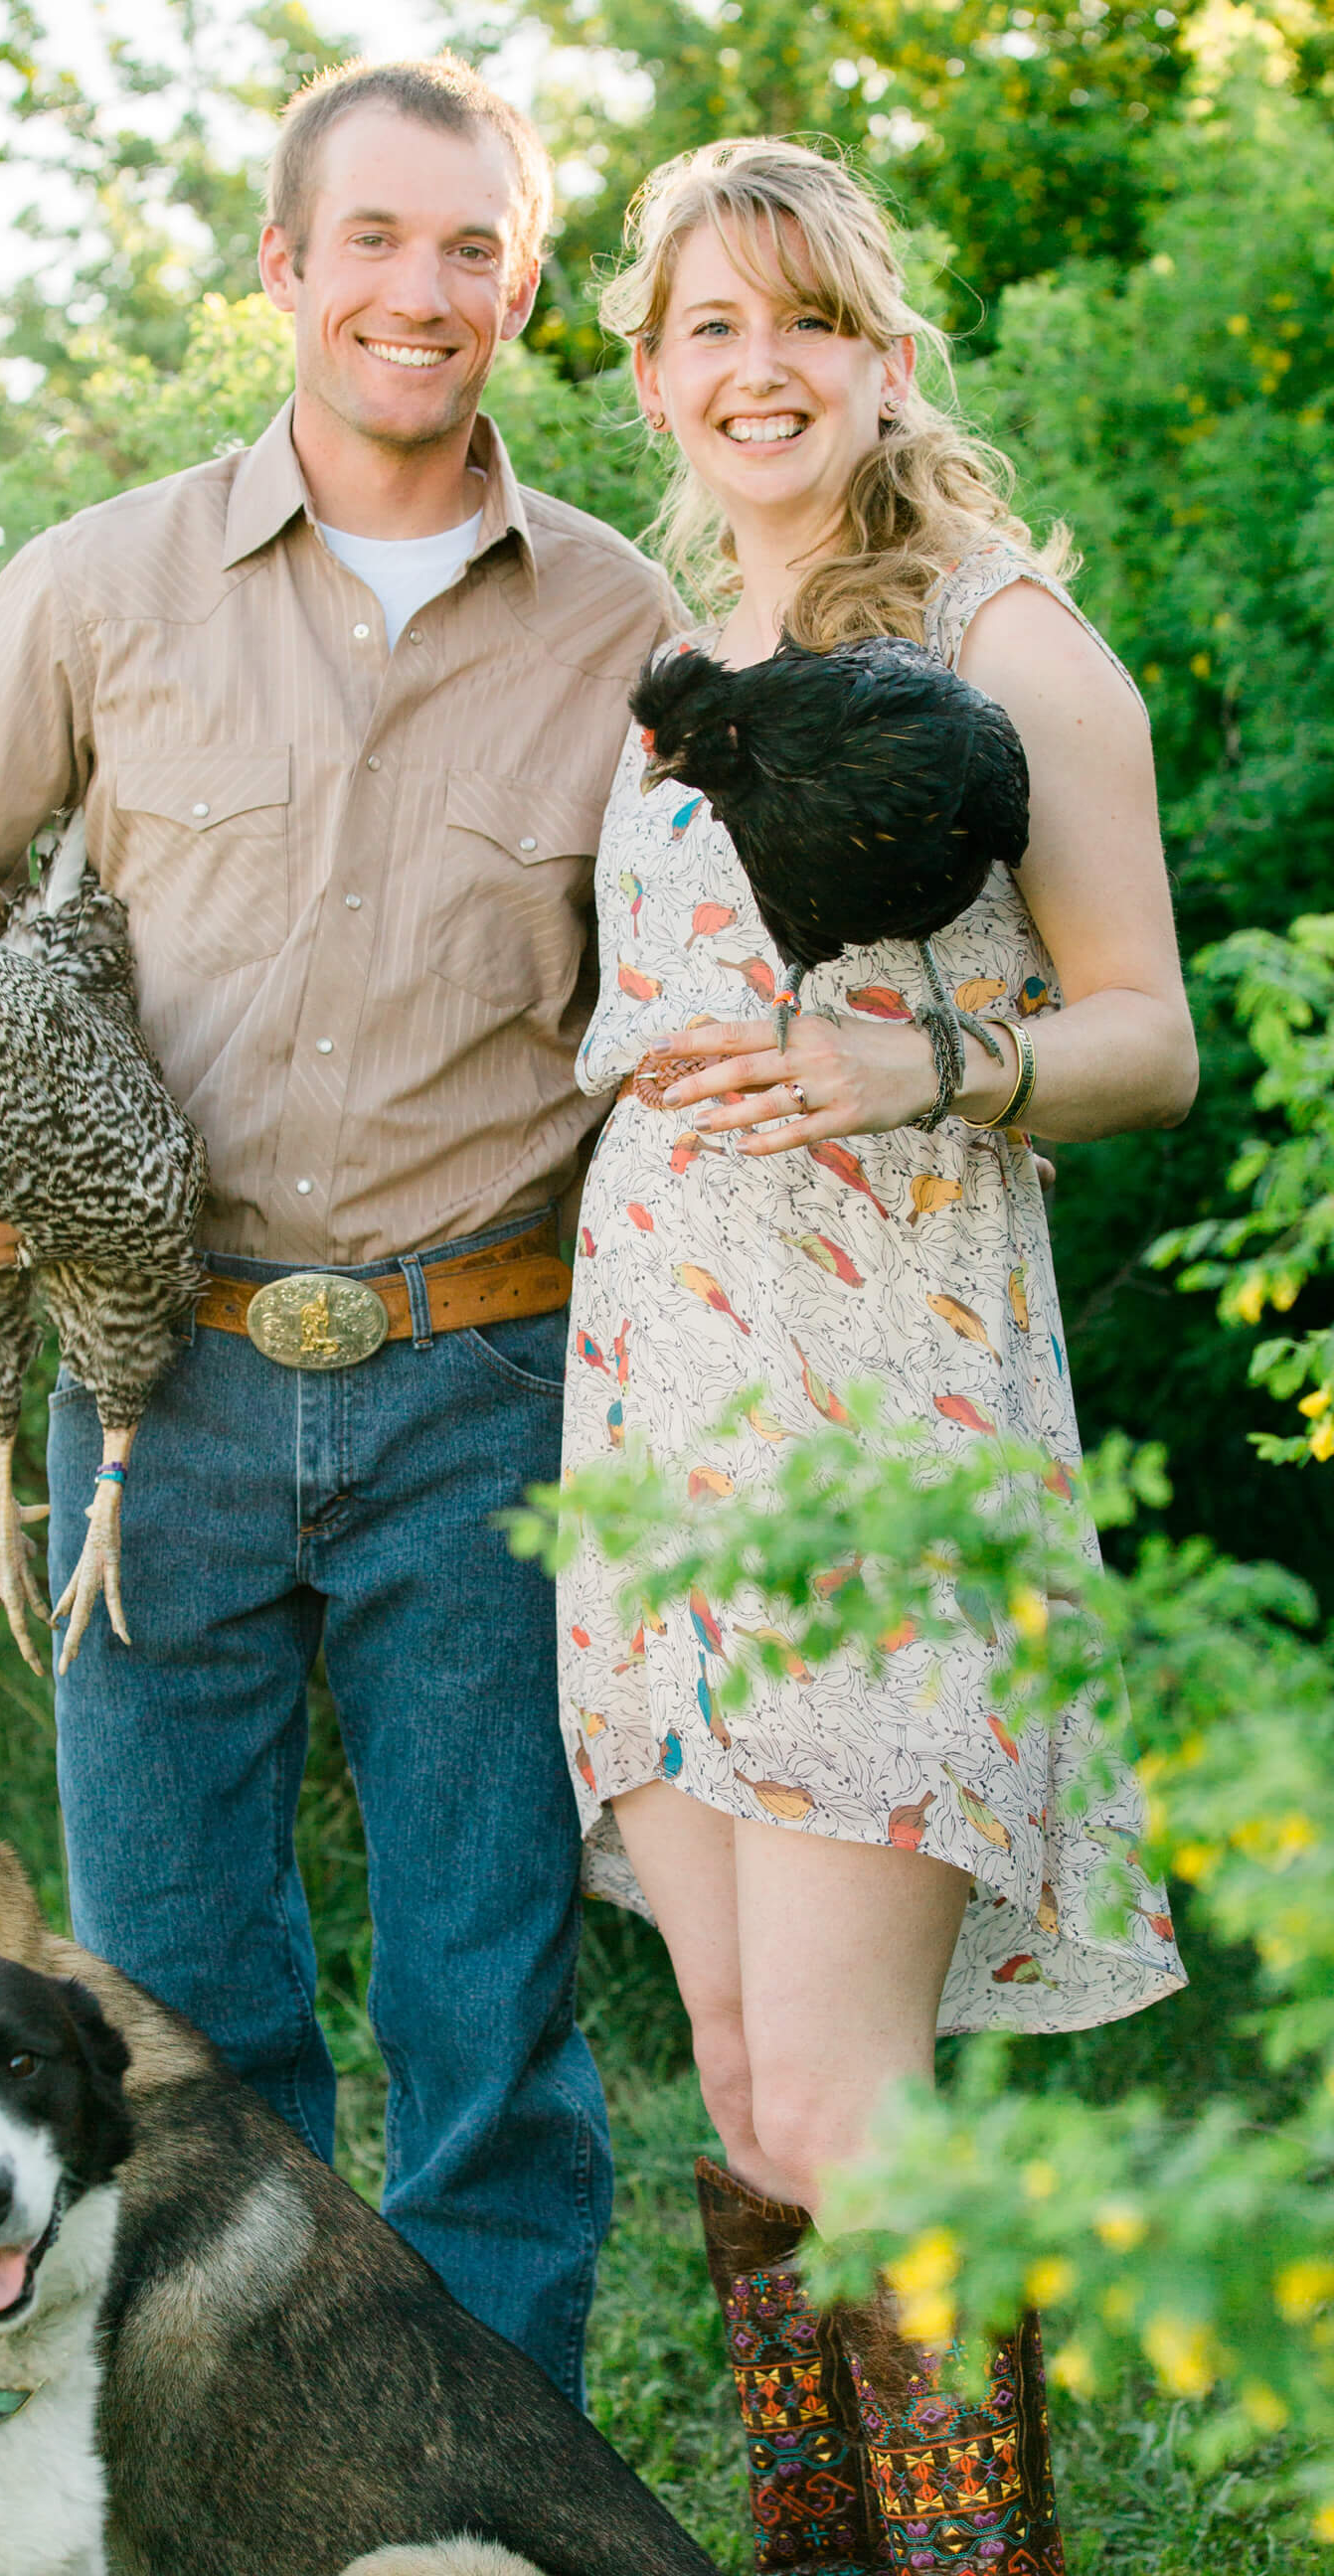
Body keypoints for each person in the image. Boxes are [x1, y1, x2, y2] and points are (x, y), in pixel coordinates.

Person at [0, 57, 679, 2402]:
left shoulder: (629, 622)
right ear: (282, 270)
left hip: (485, 1382)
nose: (423, 291)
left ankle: (488, 2507)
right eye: (373, 241)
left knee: (489, 2018)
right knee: (177, 2024)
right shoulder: (96, 585)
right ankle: (229, 2494)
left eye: (473, 246)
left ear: (524, 282)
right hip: (145, 1389)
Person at [556, 137, 1198, 2569]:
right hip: (667, 1425)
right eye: (707, 329)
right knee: (742, 2092)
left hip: (882, 1420)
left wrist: (930, 1068)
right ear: (650, 370)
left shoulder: (1003, 638)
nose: (757, 369)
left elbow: (1149, 1038)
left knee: (847, 2106)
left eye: (800, 318)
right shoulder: (680, 644)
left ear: (881, 346)